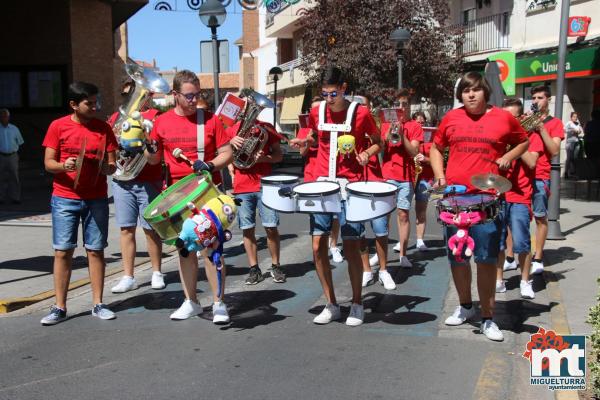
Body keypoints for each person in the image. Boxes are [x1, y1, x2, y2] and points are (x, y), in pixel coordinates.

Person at [429, 72, 528, 341]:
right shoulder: (451, 118)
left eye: (475, 90)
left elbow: (524, 140)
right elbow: (436, 148)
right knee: (457, 258)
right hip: (454, 201)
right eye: (465, 91)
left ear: (486, 93)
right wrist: (440, 176)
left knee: (485, 260)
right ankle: (464, 306)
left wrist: (507, 156)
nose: (471, 95)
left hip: (487, 201)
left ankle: (487, 318)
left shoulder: (503, 117)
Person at [290, 66, 381, 326]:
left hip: (349, 186)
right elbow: (316, 137)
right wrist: (305, 142)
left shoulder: (361, 113)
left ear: (343, 88)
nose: (329, 98)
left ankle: (356, 303)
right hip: (321, 185)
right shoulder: (318, 110)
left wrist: (367, 154)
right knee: (318, 246)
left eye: (333, 93)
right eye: (325, 93)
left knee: (352, 247)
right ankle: (331, 304)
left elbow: (378, 141)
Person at [145, 70, 233, 323]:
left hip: (206, 194)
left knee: (211, 248)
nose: (194, 100)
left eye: (197, 95)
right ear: (175, 95)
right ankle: (191, 301)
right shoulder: (161, 122)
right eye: (189, 95)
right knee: (185, 250)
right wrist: (148, 148)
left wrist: (211, 165)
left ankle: (218, 303)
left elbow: (227, 153)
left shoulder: (210, 120)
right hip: (176, 198)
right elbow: (154, 160)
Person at [40, 82, 118, 325]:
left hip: (96, 197)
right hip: (65, 197)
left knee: (95, 250)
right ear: (74, 104)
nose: (95, 106)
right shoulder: (58, 126)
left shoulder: (104, 128)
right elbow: (48, 163)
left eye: (96, 102)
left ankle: (98, 303)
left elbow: (112, 164)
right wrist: (65, 165)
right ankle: (59, 306)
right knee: (63, 251)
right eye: (89, 103)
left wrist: (107, 167)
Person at [108, 82, 165, 294]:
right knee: (126, 229)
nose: (130, 97)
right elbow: (111, 145)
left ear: (148, 95)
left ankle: (157, 272)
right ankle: (128, 276)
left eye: (136, 93)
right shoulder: (116, 117)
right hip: (123, 180)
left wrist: (146, 138)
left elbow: (157, 148)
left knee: (151, 229)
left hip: (148, 179)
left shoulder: (156, 117)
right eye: (127, 94)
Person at [495, 98, 544, 299]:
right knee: (497, 242)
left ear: (521, 117)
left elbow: (532, 162)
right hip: (499, 194)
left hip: (520, 195)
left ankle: (525, 281)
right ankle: (498, 280)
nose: (508, 121)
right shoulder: (498, 136)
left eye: (512, 117)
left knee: (522, 242)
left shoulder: (531, 135)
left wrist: (518, 143)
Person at [227, 117, 284, 285]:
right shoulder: (232, 129)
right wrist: (230, 143)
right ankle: (254, 269)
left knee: (271, 227)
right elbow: (222, 155)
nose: (247, 113)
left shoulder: (266, 128)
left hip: (264, 184)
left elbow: (279, 155)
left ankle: (276, 265)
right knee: (247, 229)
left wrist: (264, 158)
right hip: (242, 186)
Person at [376, 89, 423, 268]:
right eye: (398, 105)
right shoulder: (386, 124)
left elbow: (414, 152)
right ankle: (382, 256)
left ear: (410, 107)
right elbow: (381, 149)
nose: (401, 108)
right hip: (387, 175)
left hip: (405, 177)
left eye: (405, 105)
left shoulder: (415, 126)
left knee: (403, 215)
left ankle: (403, 254)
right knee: (384, 216)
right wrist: (388, 134)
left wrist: (402, 135)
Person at [298, 97, 344, 264]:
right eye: (314, 110)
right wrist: (309, 138)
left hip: (331, 174)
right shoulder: (306, 129)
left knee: (336, 214)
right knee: (316, 217)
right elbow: (302, 152)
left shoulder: (333, 126)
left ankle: (333, 245)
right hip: (312, 176)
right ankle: (317, 250)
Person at [529, 86, 564, 275]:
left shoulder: (555, 123)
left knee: (540, 216)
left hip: (541, 175)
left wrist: (541, 128)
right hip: (522, 175)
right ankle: (512, 256)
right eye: (533, 97)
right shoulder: (527, 119)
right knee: (516, 218)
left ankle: (538, 257)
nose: (536, 100)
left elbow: (555, 150)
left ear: (548, 100)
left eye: (540, 97)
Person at [413, 111, 433, 251]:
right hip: (409, 176)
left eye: (422, 122)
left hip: (425, 178)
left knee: (421, 209)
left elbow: (436, 161)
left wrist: (425, 159)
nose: (420, 124)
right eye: (417, 122)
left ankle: (420, 240)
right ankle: (402, 241)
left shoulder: (431, 138)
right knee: (402, 212)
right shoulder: (410, 136)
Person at [0, 108, 24, 204]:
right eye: (1, 116)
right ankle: (1, 197)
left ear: (8, 117)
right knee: (0, 178)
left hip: (12, 156)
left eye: (5, 116)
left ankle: (15, 197)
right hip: (1, 156)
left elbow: (20, 142)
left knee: (14, 177)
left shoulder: (14, 128)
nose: (3, 118)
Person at [564, 112, 583, 179]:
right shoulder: (569, 123)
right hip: (570, 142)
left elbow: (580, 130)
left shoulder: (578, 123)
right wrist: (572, 130)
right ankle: (566, 172)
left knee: (575, 158)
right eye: (574, 116)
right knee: (569, 158)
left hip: (576, 142)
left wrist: (579, 131)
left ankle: (573, 172)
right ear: (571, 117)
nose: (575, 118)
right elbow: (564, 130)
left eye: (576, 116)